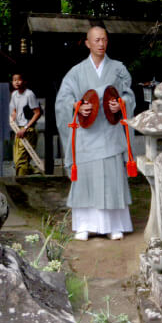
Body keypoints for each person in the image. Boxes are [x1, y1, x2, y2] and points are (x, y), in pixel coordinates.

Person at [55, 26, 136, 241]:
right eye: (97, 40)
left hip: (109, 132)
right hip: (87, 135)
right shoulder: (76, 72)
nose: (101, 44)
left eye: (105, 40)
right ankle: (84, 225)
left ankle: (114, 225)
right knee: (85, 180)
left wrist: (121, 104)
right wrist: (76, 106)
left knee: (111, 178)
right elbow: (62, 99)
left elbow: (129, 95)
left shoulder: (118, 69)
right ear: (88, 43)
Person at [9, 73, 41, 176]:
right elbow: (14, 110)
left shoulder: (29, 94)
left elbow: (37, 113)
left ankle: (21, 183)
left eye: (19, 79)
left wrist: (26, 128)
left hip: (28, 130)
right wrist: (13, 117)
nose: (16, 82)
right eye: (14, 80)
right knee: (17, 161)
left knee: (21, 161)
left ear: (25, 81)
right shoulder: (14, 94)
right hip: (18, 130)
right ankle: (34, 173)